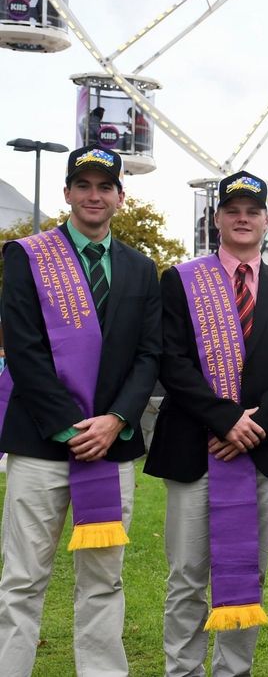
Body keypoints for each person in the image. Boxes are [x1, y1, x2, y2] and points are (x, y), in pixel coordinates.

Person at [0, 146, 161, 677]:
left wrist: (116, 420)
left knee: (104, 580)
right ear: (67, 193)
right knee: (22, 580)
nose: (95, 195)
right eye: (84, 185)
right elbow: (22, 348)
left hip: (110, 446)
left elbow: (148, 355)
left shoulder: (141, 268)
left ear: (120, 196)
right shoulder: (26, 257)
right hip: (40, 443)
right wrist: (67, 427)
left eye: (104, 186)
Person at [145, 170, 268, 677]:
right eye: (232, 210)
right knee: (187, 577)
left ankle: (233, 672)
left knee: (248, 576)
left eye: (252, 211)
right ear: (216, 219)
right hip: (194, 449)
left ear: (266, 219)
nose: (243, 218)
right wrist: (224, 420)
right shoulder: (180, 280)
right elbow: (171, 360)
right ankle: (183, 671)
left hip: (264, 450)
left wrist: (253, 427)